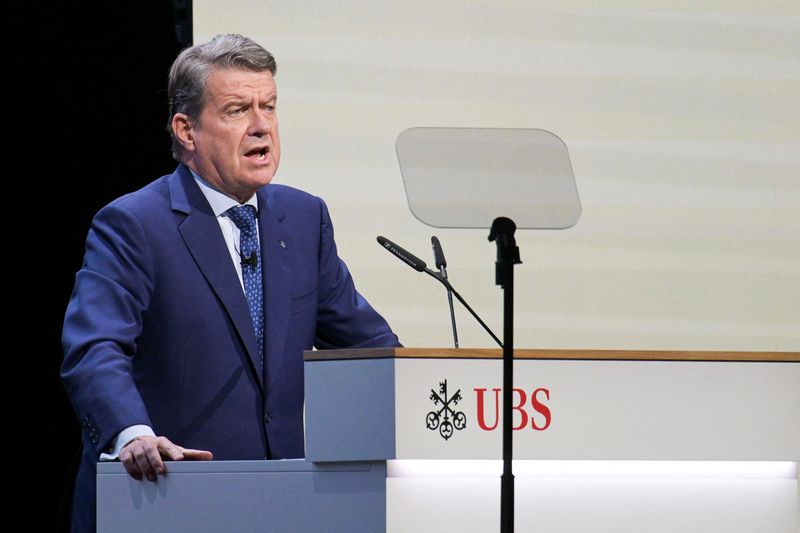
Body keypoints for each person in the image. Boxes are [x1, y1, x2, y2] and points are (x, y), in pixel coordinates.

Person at [60, 33, 400, 532]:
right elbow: (94, 348)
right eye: (238, 110)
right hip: (165, 499)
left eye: (269, 106)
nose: (261, 126)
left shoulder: (304, 220)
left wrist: (427, 391)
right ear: (186, 130)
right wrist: (132, 433)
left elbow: (369, 345)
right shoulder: (134, 224)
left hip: (282, 506)